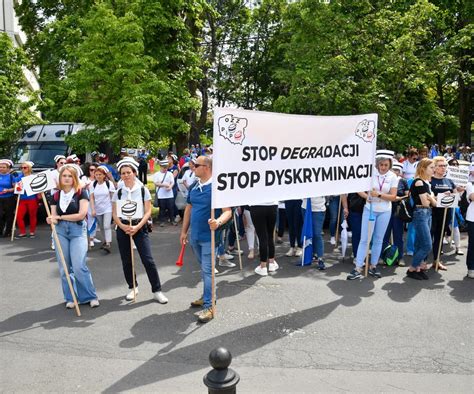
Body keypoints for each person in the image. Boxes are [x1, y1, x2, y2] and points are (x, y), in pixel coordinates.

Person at [180, 155, 232, 323]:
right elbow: (188, 209)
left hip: (210, 237)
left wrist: (218, 222)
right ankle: (206, 296)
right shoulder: (194, 186)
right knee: (204, 270)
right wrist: (183, 231)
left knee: (208, 272)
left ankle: (209, 306)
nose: (193, 167)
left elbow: (228, 211)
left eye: (196, 165)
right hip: (195, 236)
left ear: (207, 167)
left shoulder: (218, 188)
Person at [112, 158, 168, 304]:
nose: (126, 175)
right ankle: (133, 287)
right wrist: (122, 226)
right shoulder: (118, 192)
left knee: (148, 260)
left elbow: (148, 211)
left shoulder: (142, 190)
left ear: (134, 173)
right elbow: (114, 213)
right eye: (123, 173)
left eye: (128, 172)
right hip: (123, 227)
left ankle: (157, 290)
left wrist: (137, 227)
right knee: (127, 260)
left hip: (139, 226)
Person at [47, 164, 99, 308]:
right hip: (60, 231)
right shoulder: (55, 195)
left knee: (78, 266)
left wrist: (60, 217)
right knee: (64, 267)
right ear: (60, 178)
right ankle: (71, 297)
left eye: (70, 176)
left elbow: (81, 215)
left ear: (74, 178)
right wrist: (51, 219)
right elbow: (54, 217)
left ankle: (90, 296)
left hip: (77, 231)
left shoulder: (81, 193)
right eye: (64, 176)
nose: (67, 178)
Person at [347, 150, 398, 280]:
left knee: (378, 239)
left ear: (390, 164)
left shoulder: (393, 177)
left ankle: (373, 266)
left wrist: (379, 195)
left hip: (385, 211)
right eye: (381, 165)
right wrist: (366, 196)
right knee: (365, 239)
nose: (383, 167)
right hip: (369, 209)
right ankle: (358, 267)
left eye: (386, 165)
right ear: (377, 164)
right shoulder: (369, 173)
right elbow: (358, 188)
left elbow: (393, 196)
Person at [430, 156, 463, 270]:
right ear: (434, 168)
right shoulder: (430, 180)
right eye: (440, 166)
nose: (443, 168)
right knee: (428, 238)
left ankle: (436, 260)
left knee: (439, 238)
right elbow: (427, 197)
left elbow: (457, 198)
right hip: (431, 213)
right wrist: (441, 196)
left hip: (445, 213)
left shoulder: (449, 181)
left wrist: (459, 191)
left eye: (445, 166)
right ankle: (422, 261)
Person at [406, 158, 437, 280]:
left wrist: (431, 198)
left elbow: (434, 203)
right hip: (420, 213)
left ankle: (417, 268)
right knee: (427, 245)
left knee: (420, 243)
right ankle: (412, 268)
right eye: (432, 167)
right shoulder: (418, 182)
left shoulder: (426, 183)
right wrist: (430, 198)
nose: (434, 169)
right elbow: (425, 202)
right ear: (423, 168)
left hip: (427, 213)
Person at [382, 161, 409, 266]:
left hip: (398, 212)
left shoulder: (403, 181)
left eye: (398, 170)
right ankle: (383, 256)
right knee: (384, 235)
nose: (396, 172)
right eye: (394, 169)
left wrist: (399, 198)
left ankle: (400, 257)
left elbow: (408, 195)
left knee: (398, 236)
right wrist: (390, 197)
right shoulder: (385, 179)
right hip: (386, 210)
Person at [90, 165, 116, 253]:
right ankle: (105, 240)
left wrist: (114, 210)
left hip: (107, 208)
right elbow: (92, 198)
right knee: (101, 226)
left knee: (106, 225)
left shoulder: (109, 184)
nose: (98, 176)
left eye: (100, 174)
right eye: (96, 174)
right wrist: (93, 209)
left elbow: (113, 197)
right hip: (98, 209)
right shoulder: (93, 184)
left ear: (104, 175)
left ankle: (108, 243)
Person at [15, 161, 39, 239]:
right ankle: (23, 232)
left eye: (25, 167)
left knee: (32, 216)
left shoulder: (33, 177)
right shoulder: (19, 177)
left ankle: (32, 232)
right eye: (21, 167)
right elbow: (16, 187)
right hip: (22, 199)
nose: (23, 169)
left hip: (32, 199)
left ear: (29, 168)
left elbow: (38, 187)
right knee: (18, 216)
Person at [302, 197, 327, 270]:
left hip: (318, 209)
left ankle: (320, 258)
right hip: (305, 207)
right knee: (308, 233)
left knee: (317, 234)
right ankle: (311, 254)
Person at [154, 159, 175, 227]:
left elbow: (172, 182)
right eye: (164, 167)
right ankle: (162, 221)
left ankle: (172, 220)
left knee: (171, 208)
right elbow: (156, 183)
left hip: (169, 194)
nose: (165, 169)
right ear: (160, 166)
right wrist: (164, 185)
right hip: (161, 195)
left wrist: (170, 187)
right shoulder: (157, 174)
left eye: (167, 167)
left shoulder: (170, 174)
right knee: (162, 208)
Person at [0, 159, 16, 238]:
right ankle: (0, 231)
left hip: (9, 198)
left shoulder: (11, 176)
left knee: (9, 215)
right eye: (0, 167)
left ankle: (8, 232)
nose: (1, 168)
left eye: (3, 167)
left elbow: (15, 188)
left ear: (8, 168)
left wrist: (8, 190)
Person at [465, 181, 474, 278]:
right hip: (472, 219)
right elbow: (472, 197)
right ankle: (471, 268)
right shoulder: (470, 184)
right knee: (473, 244)